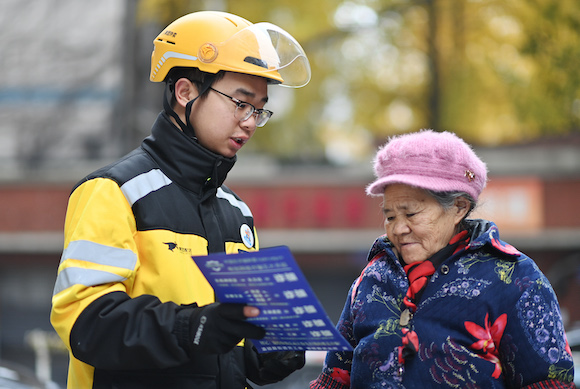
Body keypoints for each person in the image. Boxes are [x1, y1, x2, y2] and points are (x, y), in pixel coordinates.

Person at [50, 11, 310, 389]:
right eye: (241, 103)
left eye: (259, 109)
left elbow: (221, 346)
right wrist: (194, 326)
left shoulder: (236, 212)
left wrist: (270, 350)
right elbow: (85, 322)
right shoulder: (114, 190)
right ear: (185, 91)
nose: (251, 121)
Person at [310, 130, 575, 388]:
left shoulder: (514, 278)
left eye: (411, 214)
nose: (398, 229)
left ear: (459, 207)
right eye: (390, 216)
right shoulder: (371, 280)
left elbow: (548, 382)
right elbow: (335, 378)